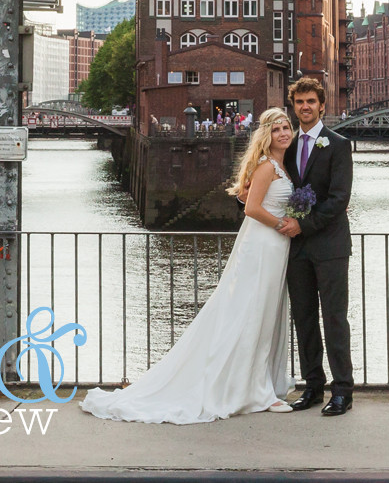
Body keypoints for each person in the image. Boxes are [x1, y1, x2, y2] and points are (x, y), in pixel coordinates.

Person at [80, 108, 295, 425]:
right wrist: (282, 224)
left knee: (265, 315)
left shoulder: (280, 166)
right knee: (252, 314)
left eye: (286, 127)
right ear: (266, 135)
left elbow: (254, 196)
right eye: (276, 129)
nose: (283, 133)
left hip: (275, 247)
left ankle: (259, 382)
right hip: (264, 246)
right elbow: (250, 208)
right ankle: (252, 388)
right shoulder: (267, 167)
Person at [278, 77, 354, 417]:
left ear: (321, 105)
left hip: (331, 246)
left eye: (311, 101)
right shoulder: (287, 145)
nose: (305, 107)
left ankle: (342, 391)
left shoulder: (338, 144)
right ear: (293, 107)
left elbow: (339, 199)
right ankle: (312, 386)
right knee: (304, 318)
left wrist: (302, 224)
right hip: (296, 249)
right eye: (299, 102)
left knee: (334, 318)